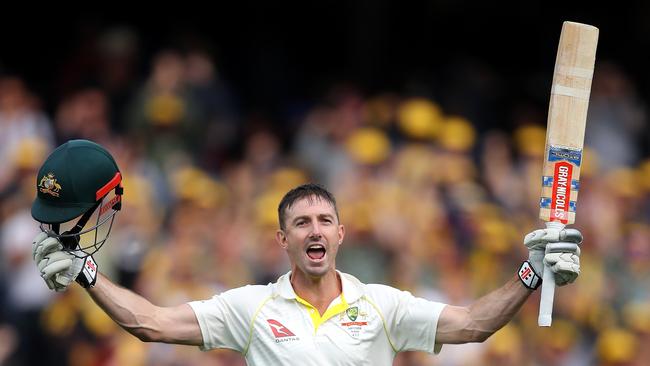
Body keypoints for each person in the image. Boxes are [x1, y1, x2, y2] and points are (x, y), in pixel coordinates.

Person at [31, 139, 582, 365]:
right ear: (283, 240)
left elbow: (471, 324)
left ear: (341, 234)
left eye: (324, 221)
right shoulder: (249, 309)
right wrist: (85, 271)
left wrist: (531, 273)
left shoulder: (383, 307)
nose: (313, 231)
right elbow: (149, 322)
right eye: (300, 223)